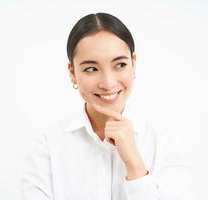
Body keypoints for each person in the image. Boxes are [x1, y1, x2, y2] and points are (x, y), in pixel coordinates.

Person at [21, 12, 192, 200]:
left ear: (133, 63)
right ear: (72, 72)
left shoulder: (165, 141)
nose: (108, 83)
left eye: (119, 65)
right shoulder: (47, 145)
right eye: (91, 69)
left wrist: (134, 162)